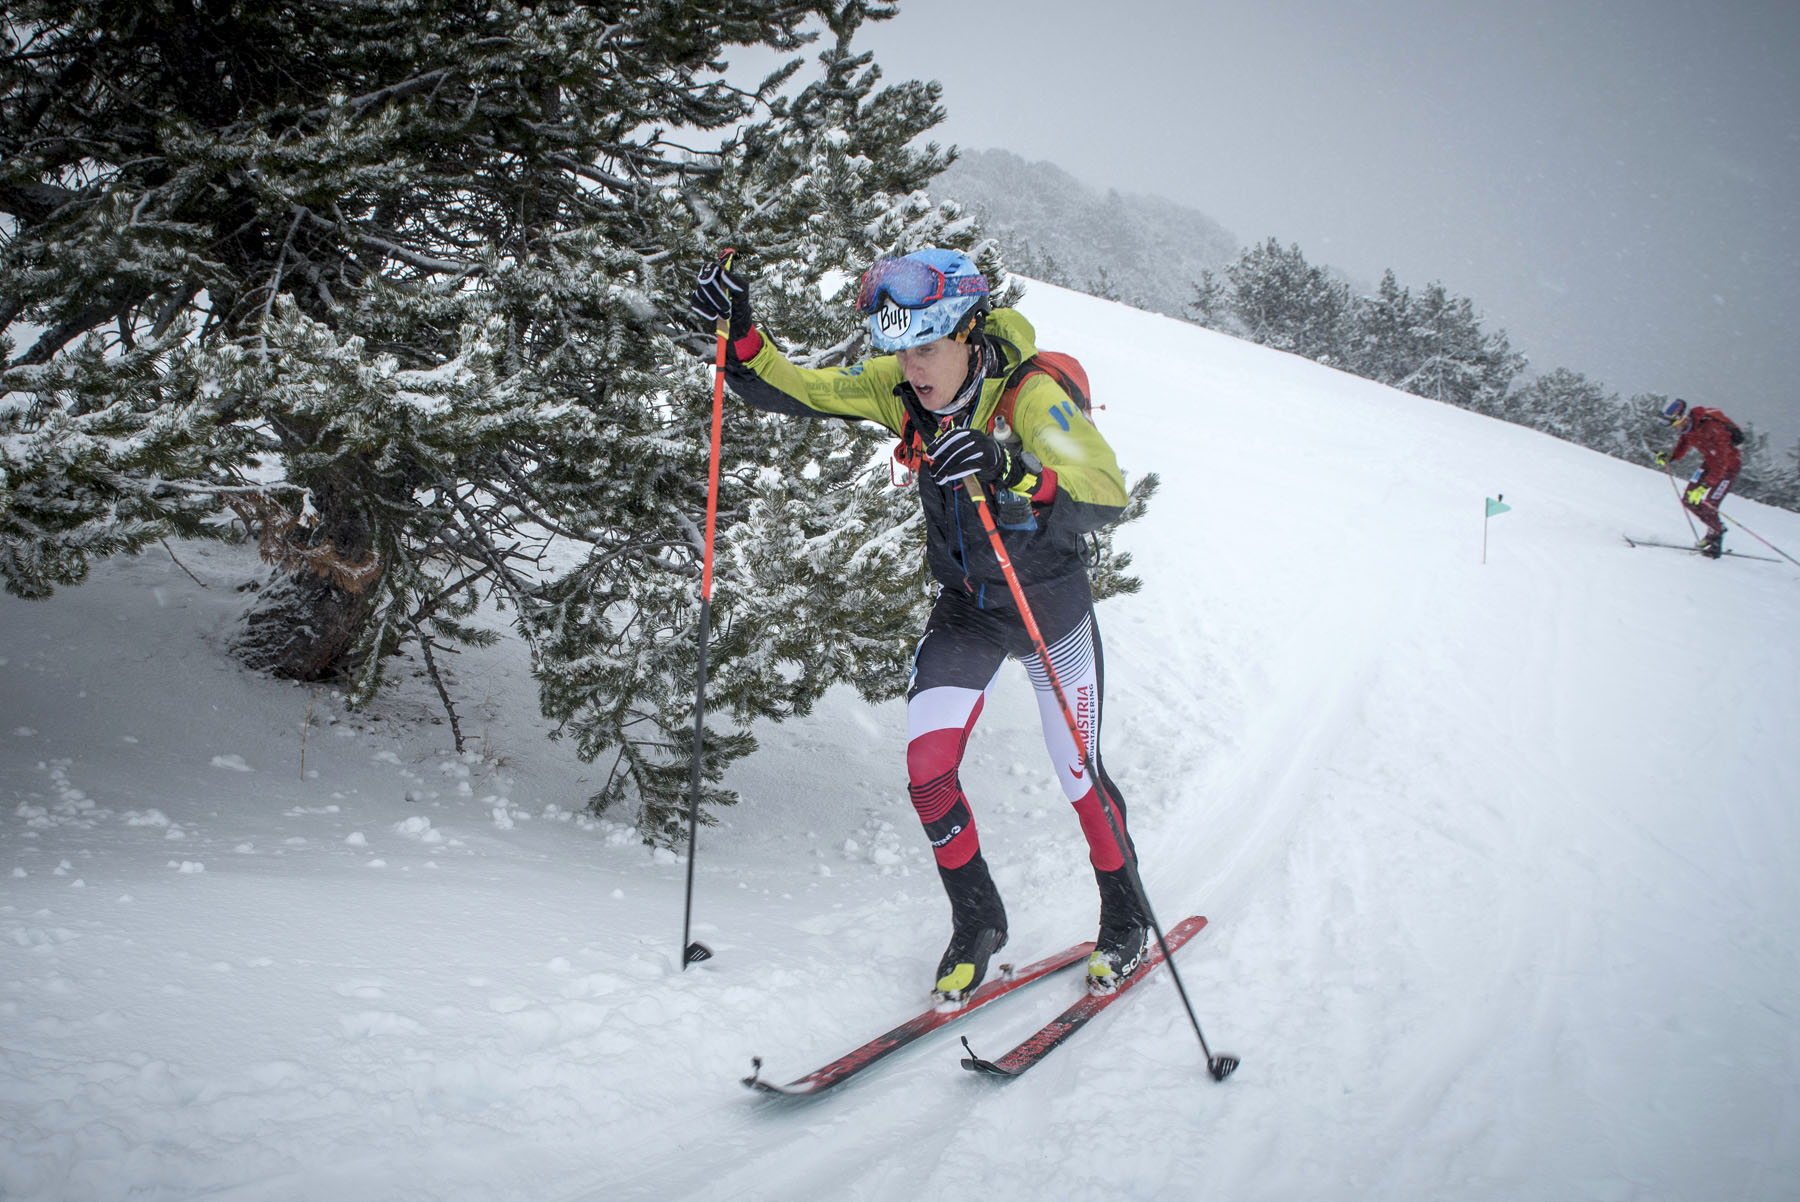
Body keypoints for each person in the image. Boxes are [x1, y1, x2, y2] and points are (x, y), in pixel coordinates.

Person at [689, 247, 1151, 1001]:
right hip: (969, 606)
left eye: (930, 346)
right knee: (928, 771)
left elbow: (1104, 493)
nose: (914, 367)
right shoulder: (898, 389)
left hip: (1047, 605)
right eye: (901, 349)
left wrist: (1013, 470)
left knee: (1077, 773)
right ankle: (978, 921)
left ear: (970, 333)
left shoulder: (1029, 396)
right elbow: (798, 388)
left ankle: (1125, 914)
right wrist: (741, 333)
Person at [1654, 398, 1742, 559]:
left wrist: (1706, 485)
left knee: (1710, 503)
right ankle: (1714, 529)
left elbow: (1723, 460)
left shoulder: (1712, 428)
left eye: (1676, 425)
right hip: (1709, 463)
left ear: (1683, 418)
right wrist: (1670, 458)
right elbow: (1684, 442)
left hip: (1728, 468)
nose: (1677, 429)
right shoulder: (1689, 428)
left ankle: (1716, 537)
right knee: (1688, 499)